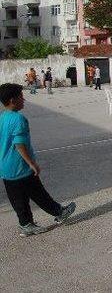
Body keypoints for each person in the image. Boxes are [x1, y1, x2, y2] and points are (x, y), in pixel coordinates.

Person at [0, 83, 76, 236]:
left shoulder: (2, 118)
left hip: (6, 168)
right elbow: (19, 144)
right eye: (21, 96)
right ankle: (58, 212)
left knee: (18, 199)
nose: (24, 99)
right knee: (38, 193)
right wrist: (31, 163)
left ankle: (26, 225)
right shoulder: (18, 119)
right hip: (20, 166)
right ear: (12, 100)